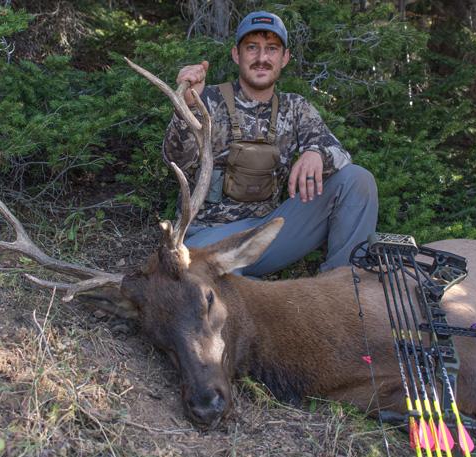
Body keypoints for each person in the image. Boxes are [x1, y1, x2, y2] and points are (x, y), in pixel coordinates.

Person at [162, 11, 378, 276]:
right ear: (236, 54)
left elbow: (340, 154)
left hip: (269, 233)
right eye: (252, 47)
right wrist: (187, 107)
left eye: (272, 49)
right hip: (210, 235)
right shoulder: (207, 99)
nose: (262, 58)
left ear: (284, 58)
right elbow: (176, 160)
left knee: (357, 180)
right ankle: (242, 288)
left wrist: (316, 153)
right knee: (204, 278)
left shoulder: (295, 107)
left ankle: (347, 284)